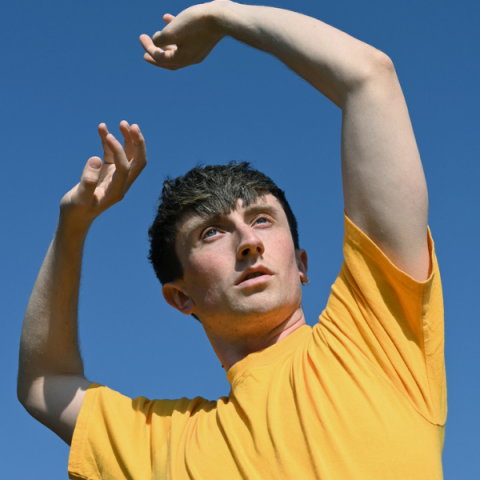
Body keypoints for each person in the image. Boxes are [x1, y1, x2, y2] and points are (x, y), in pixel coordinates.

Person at [17, 1, 446, 478]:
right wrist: (71, 227)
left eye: (263, 220)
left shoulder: (376, 340)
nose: (248, 242)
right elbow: (42, 384)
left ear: (301, 263)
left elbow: (370, 77)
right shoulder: (163, 443)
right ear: (181, 297)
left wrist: (222, 16)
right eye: (212, 233)